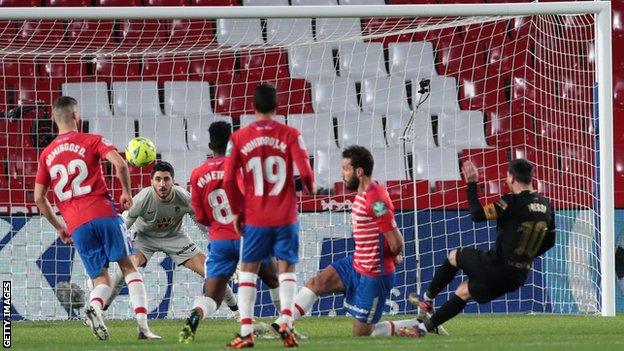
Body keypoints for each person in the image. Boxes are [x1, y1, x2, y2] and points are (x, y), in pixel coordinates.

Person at [33, 96, 158, 340]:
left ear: (54, 119)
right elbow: (120, 164)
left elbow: (39, 198)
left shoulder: (46, 155)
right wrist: (126, 192)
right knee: (129, 267)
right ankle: (143, 328)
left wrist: (60, 227)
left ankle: (95, 307)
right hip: (103, 213)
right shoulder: (92, 140)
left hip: (76, 225)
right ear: (76, 115)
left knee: (101, 277)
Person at [278, 145, 427, 338]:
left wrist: (392, 254)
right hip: (356, 264)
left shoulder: (376, 199)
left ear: (359, 171)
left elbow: (396, 240)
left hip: (374, 275)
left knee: (363, 336)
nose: (342, 174)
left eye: (346, 168)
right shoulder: (364, 193)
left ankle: (421, 324)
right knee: (316, 282)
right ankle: (282, 325)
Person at [409, 159, 556, 335]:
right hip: (518, 276)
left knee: (455, 256)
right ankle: (423, 329)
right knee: (464, 291)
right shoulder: (547, 205)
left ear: (512, 177)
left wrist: (472, 184)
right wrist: (524, 257)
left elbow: (477, 215)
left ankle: (427, 299)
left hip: (498, 266)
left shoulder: (511, 202)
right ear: (530, 178)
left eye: (507, 176)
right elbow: (550, 242)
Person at [224, 83, 315, 349]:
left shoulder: (238, 138)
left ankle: (245, 331)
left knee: (248, 271)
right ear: (277, 107)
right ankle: (286, 321)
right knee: (286, 269)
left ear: (253, 108)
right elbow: (307, 174)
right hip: (286, 216)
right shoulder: (291, 134)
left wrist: (237, 211)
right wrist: (309, 188)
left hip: (254, 217)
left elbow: (229, 180)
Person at [179, 121, 281, 343]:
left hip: (220, 241)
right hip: (248, 237)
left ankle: (195, 316)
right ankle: (283, 325)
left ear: (209, 145)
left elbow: (200, 216)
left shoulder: (197, 174)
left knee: (212, 297)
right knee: (274, 279)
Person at [105, 161, 239, 315]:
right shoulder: (142, 199)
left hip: (174, 237)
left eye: (166, 179)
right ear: (151, 182)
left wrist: (221, 245)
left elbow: (203, 225)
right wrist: (110, 248)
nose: (162, 184)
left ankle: (236, 311)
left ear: (173, 181)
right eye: (158, 179)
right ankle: (101, 310)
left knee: (211, 271)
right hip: (144, 238)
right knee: (125, 269)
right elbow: (123, 227)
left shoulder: (184, 197)